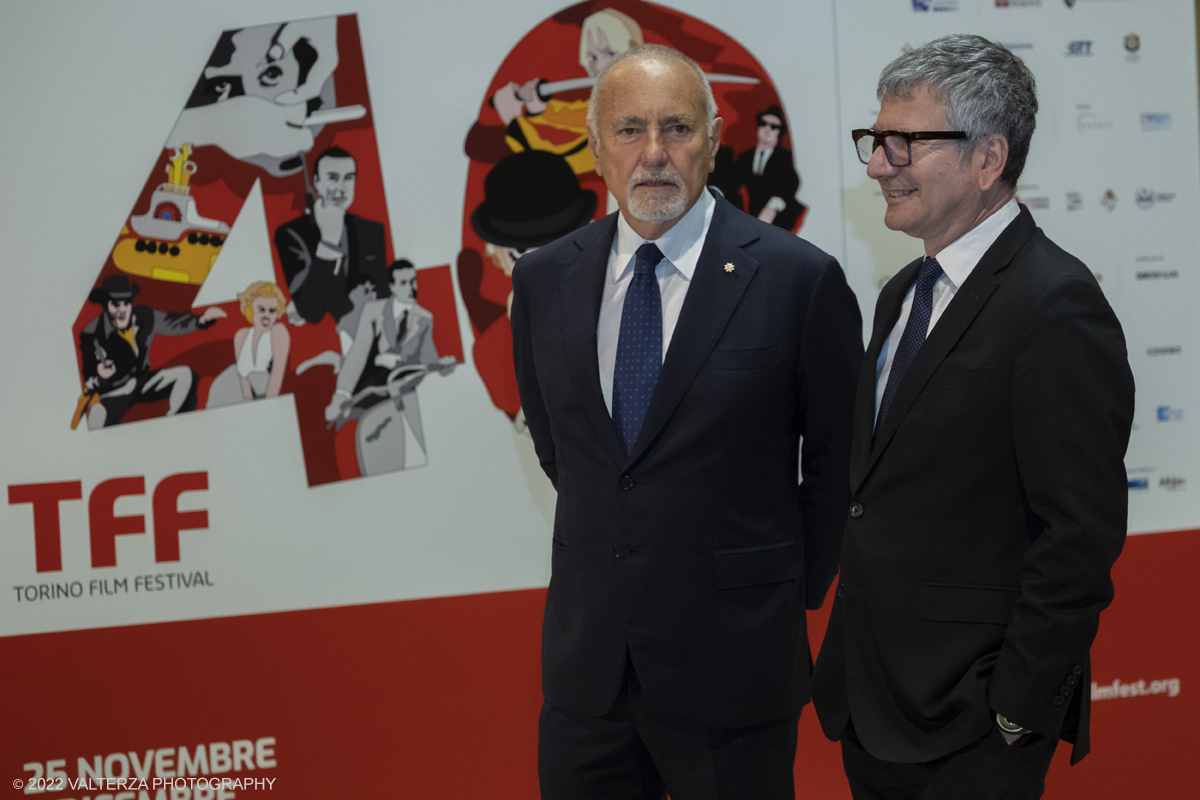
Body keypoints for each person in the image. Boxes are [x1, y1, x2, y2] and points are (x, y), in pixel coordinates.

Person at [510, 44, 862, 798]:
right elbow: (563, 451)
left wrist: (780, 590)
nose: (654, 154)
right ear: (597, 146)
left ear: (712, 136)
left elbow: (839, 468)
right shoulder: (543, 280)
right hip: (588, 679)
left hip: (735, 672)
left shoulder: (799, 280)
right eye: (630, 130)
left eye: (677, 128)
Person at [809, 35, 1135, 800]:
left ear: (988, 160)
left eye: (904, 143)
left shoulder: (1055, 304)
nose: (877, 164)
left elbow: (1079, 535)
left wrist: (1017, 710)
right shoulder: (901, 295)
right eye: (875, 140)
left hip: (972, 727)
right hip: (873, 706)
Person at [326, 260, 456, 475]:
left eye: (414, 281)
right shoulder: (374, 311)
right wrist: (341, 393)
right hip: (367, 389)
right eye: (404, 283)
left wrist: (441, 367)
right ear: (392, 287)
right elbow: (357, 353)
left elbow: (427, 358)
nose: (411, 287)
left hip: (400, 391)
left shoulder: (425, 318)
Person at [78, 274, 227, 429]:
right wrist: (101, 377)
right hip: (115, 391)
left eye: (126, 304)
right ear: (105, 306)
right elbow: (88, 377)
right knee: (97, 416)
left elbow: (173, 322)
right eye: (116, 305)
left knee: (186, 375)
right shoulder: (90, 334)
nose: (122, 310)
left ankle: (179, 428)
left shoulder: (145, 316)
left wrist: (201, 320)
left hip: (143, 381)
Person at [274, 146, 388, 349]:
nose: (342, 188)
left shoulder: (372, 231)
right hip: (321, 344)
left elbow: (382, 296)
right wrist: (328, 241)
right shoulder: (290, 234)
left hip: (371, 338)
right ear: (317, 182)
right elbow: (311, 311)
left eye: (349, 178)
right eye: (333, 178)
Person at [207, 281, 291, 406]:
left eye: (272, 310)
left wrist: (269, 406)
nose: (266, 315)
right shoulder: (241, 335)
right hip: (232, 390)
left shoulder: (279, 332)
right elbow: (243, 377)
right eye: (261, 309)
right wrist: (248, 403)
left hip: (264, 396)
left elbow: (277, 375)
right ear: (251, 309)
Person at [732, 105, 805, 230]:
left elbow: (792, 183)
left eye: (773, 126)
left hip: (777, 218)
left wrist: (774, 205)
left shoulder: (784, 157)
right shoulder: (746, 157)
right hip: (748, 216)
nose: (767, 129)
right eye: (763, 123)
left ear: (779, 132)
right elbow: (732, 182)